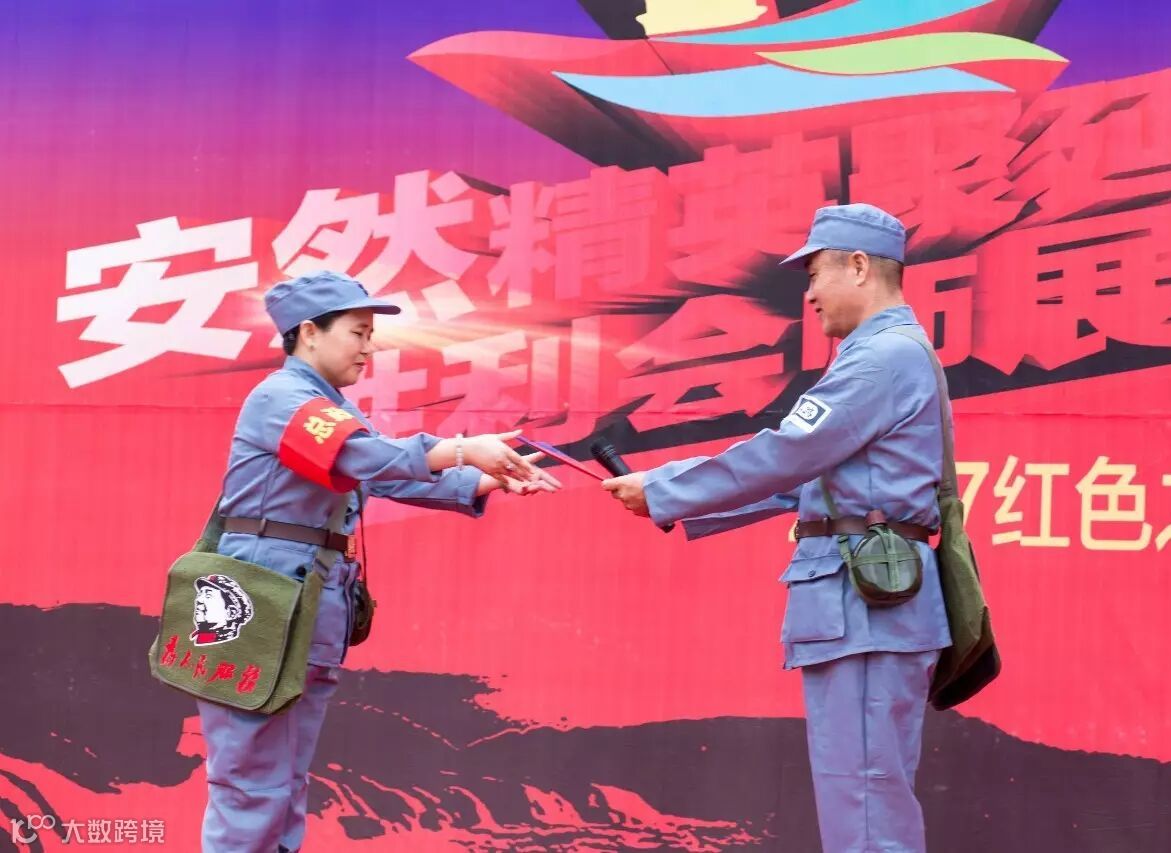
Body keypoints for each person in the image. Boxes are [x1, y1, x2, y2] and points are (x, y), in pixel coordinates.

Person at [602, 204, 952, 852]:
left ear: (858, 266)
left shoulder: (879, 358)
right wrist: (671, 497)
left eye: (816, 274)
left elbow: (788, 453)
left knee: (865, 809)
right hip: (864, 607)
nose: (809, 295)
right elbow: (805, 480)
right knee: (864, 800)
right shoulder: (885, 353)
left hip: (864, 609)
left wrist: (666, 490)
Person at [198, 270, 561, 853]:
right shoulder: (282, 397)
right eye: (357, 332)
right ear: (309, 333)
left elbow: (385, 473)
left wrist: (491, 478)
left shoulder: (329, 406)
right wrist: (464, 449)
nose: (369, 347)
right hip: (260, 601)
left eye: (371, 334)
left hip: (306, 601)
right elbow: (359, 456)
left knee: (284, 779)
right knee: (252, 779)